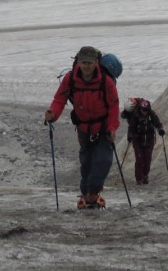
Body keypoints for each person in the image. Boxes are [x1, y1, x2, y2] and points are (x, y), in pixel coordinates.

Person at [44, 45, 120, 209]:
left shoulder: (106, 81)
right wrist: (53, 114)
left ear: (96, 63)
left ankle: (92, 193)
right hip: (84, 128)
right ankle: (87, 193)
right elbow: (59, 100)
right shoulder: (70, 79)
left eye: (90, 63)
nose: (87, 66)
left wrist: (112, 127)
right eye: (84, 62)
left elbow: (114, 106)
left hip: (103, 127)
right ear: (78, 62)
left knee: (103, 160)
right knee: (86, 163)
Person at [121, 98, 165, 185]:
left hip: (149, 139)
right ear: (140, 108)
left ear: (148, 109)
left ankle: (145, 176)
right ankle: (139, 179)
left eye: (145, 110)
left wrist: (160, 129)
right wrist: (130, 135)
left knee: (147, 159)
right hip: (137, 140)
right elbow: (131, 128)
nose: (144, 111)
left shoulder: (151, 114)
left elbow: (157, 123)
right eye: (142, 109)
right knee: (139, 159)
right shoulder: (136, 116)